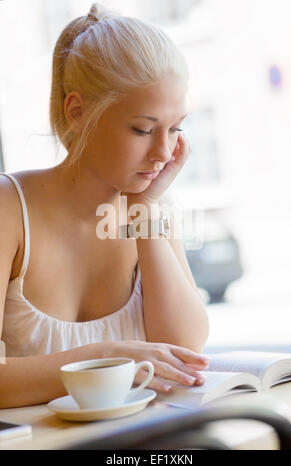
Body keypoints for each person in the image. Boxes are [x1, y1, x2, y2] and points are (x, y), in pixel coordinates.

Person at [0, 3, 209, 408]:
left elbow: (185, 353)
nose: (164, 152)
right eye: (143, 129)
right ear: (77, 112)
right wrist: (106, 359)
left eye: (176, 128)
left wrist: (145, 210)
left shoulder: (153, 208)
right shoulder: (9, 209)